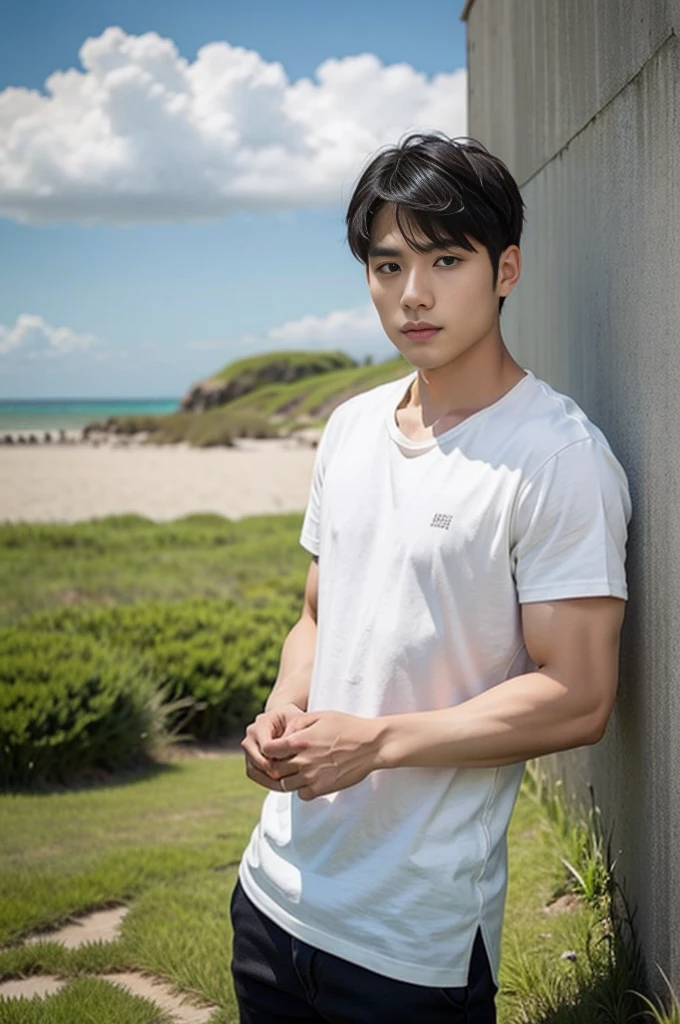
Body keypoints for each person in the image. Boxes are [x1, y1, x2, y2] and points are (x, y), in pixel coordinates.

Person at [229, 131, 632, 1023]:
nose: (412, 294)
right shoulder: (349, 427)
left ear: (506, 269)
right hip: (271, 897)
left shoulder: (558, 457)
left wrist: (374, 742)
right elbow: (318, 614)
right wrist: (283, 709)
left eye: (446, 259)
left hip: (411, 941)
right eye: (387, 265)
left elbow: (578, 695)